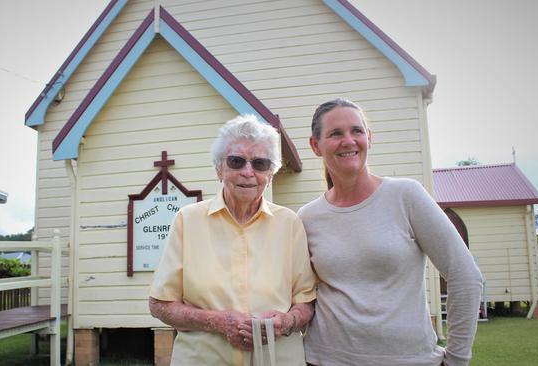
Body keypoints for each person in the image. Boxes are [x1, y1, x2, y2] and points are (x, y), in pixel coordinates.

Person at [298, 98, 483, 366]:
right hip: (323, 360)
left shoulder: (406, 196)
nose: (348, 140)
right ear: (315, 146)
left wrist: (456, 360)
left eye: (356, 131)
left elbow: (465, 275)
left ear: (369, 138)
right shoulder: (307, 217)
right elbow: (302, 293)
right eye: (336, 133)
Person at [149, 114, 317, 365]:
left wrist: (285, 322)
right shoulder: (188, 220)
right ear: (219, 169)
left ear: (270, 173)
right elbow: (160, 304)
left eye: (260, 164)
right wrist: (218, 322)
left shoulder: (290, 223)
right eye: (236, 161)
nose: (248, 172)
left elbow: (306, 302)